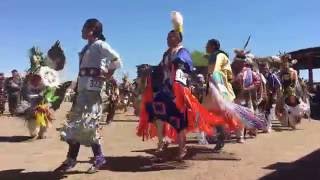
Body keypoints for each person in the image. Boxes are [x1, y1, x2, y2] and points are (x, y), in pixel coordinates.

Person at [56, 18, 122, 173]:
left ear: (92, 29)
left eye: (83, 28)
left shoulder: (100, 45)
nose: (81, 31)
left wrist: (107, 74)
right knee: (74, 125)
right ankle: (71, 159)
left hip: (93, 92)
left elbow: (116, 59)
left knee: (88, 125)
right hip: (82, 91)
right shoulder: (88, 47)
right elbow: (82, 72)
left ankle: (99, 158)